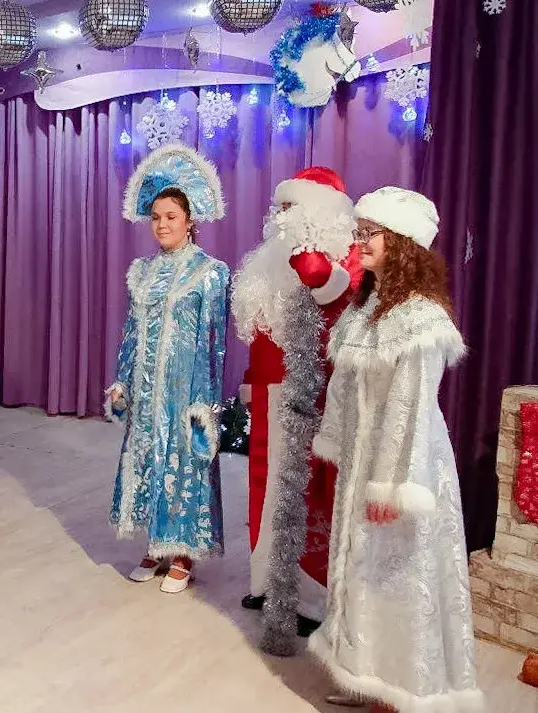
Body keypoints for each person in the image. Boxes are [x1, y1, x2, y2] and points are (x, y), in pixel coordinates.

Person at [308, 187, 483, 713]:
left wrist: (392, 483)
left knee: (399, 575)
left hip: (404, 466)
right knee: (361, 570)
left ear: (401, 242)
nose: (359, 241)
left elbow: (412, 407)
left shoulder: (421, 318)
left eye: (371, 233)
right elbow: (343, 389)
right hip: (363, 462)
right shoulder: (364, 309)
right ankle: (365, 675)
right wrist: (339, 447)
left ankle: (401, 690)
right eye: (359, 231)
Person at [230, 167, 363, 653]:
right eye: (280, 208)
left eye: (293, 208)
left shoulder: (341, 253)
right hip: (269, 388)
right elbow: (261, 324)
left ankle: (307, 599)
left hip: (313, 391)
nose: (281, 217)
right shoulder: (272, 255)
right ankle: (267, 583)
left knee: (302, 492)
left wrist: (301, 242)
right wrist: (251, 379)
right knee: (263, 484)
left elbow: (323, 283)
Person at [107, 143, 230, 594]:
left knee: (181, 461)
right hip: (145, 388)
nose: (161, 224)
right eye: (156, 217)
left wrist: (204, 403)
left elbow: (213, 343)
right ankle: (156, 545)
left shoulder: (210, 272)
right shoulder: (141, 271)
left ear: (190, 219)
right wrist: (122, 380)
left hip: (185, 388)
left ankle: (183, 553)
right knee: (146, 457)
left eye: (171, 217)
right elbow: (131, 331)